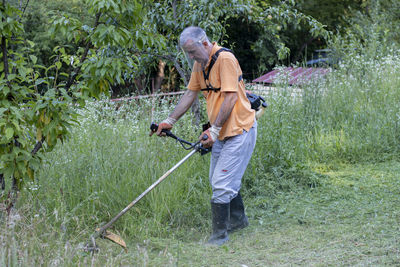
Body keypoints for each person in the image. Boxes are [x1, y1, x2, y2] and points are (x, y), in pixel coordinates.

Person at [150, 26, 257, 245]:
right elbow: (191, 93)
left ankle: (219, 236)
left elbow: (230, 99)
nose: (190, 57)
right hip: (220, 132)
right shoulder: (200, 65)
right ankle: (238, 220)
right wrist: (169, 121)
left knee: (221, 183)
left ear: (205, 43)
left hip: (239, 130)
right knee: (217, 180)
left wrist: (214, 130)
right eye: (187, 53)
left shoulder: (225, 59)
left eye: (192, 51)